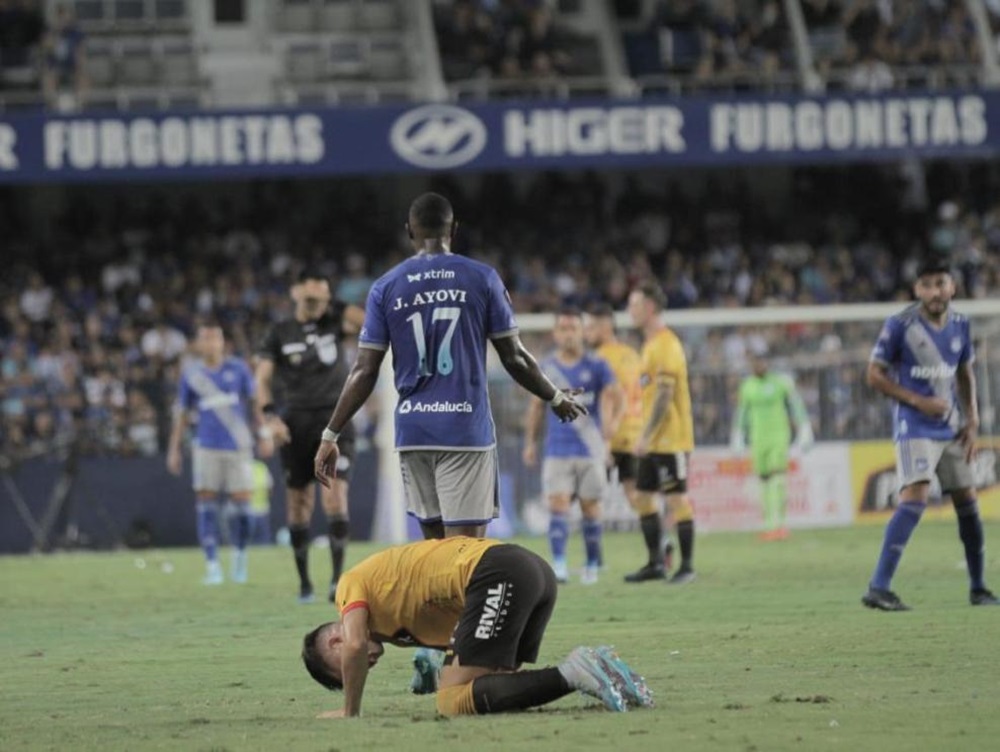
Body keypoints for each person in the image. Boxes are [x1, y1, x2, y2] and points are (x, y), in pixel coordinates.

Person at [313, 192, 586, 693]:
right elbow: (515, 357)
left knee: (433, 560)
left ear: (409, 230)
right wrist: (554, 397)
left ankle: (433, 655)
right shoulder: (480, 277)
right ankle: (466, 662)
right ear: (453, 229)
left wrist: (331, 433)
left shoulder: (387, 286)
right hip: (463, 432)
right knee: (465, 563)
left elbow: (365, 369)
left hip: (413, 434)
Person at [301, 537, 654, 717]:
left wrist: (351, 712)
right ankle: (610, 672)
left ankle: (575, 672)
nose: (364, 665)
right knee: (491, 684)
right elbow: (462, 637)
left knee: (451, 702)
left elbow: (355, 645)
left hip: (497, 572)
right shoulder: (394, 625)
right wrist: (435, 669)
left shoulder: (348, 589)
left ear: (335, 641)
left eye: (349, 670)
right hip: (529, 571)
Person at [862, 258, 999, 611]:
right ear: (917, 290)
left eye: (941, 283)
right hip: (915, 426)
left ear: (952, 286)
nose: (935, 292)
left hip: (951, 426)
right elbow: (874, 375)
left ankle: (979, 588)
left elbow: (964, 373)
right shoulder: (900, 325)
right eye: (927, 285)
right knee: (915, 499)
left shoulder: (960, 325)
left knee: (968, 502)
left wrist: (973, 418)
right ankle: (879, 587)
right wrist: (917, 402)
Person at [256, 269, 366, 604]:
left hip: (335, 420)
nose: (317, 304)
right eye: (310, 298)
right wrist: (270, 418)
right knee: (299, 504)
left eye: (322, 298)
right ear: (295, 295)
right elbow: (261, 380)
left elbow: (365, 322)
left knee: (334, 496)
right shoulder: (278, 332)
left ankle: (336, 581)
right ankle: (304, 583)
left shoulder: (335, 323)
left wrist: (333, 303)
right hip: (295, 425)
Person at [523, 308, 622, 584]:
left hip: (590, 450)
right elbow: (535, 408)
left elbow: (618, 396)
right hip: (558, 450)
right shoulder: (546, 368)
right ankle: (560, 565)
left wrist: (611, 431)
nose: (568, 334)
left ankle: (591, 565)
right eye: (563, 329)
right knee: (558, 507)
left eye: (573, 328)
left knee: (591, 509)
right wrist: (530, 442)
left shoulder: (597, 365)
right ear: (556, 334)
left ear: (582, 331)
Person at [167, 322, 261, 585]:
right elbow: (182, 413)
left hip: (238, 446)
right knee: (206, 506)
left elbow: (255, 403)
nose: (210, 344)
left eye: (214, 338)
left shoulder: (238, 368)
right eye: (205, 339)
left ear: (222, 342)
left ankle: (240, 557)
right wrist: (174, 449)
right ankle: (212, 566)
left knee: (244, 508)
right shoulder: (191, 374)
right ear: (198, 344)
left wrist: (263, 433)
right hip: (206, 446)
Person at [623, 282, 696, 585]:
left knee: (676, 499)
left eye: (635, 304)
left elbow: (665, 396)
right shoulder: (650, 345)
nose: (630, 311)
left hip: (671, 439)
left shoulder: (667, 344)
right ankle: (655, 562)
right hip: (653, 440)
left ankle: (687, 566)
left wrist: (646, 434)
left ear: (650, 308)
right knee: (642, 496)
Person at [583, 303, 652, 563]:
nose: (585, 333)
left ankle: (595, 557)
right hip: (634, 433)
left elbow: (609, 399)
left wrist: (607, 443)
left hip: (607, 436)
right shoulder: (632, 354)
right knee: (634, 494)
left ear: (605, 327)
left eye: (590, 327)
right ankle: (659, 544)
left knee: (590, 496)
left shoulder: (600, 359)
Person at [730, 347, 813, 540]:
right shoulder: (747, 385)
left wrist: (804, 427)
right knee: (764, 480)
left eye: (761, 362)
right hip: (757, 438)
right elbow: (742, 412)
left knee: (778, 478)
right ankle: (769, 525)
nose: (758, 366)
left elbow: (796, 405)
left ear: (767, 364)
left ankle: (781, 524)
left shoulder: (780, 383)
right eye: (755, 363)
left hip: (778, 436)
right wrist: (737, 434)